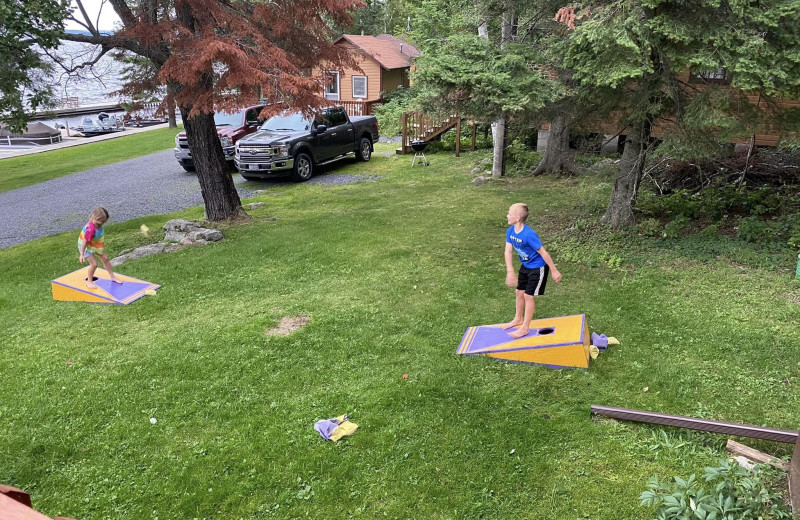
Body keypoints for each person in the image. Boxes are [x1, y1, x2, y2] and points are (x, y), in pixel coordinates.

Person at [503, 203, 562, 338]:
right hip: (525, 266)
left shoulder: (529, 234)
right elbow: (508, 251)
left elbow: (543, 253)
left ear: (517, 218)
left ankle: (525, 328)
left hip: (537, 267)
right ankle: (518, 318)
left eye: (509, 213)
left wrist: (554, 271)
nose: (507, 215)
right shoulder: (510, 231)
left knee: (528, 296)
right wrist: (510, 271)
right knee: (519, 292)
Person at [78, 207, 123, 289]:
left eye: (102, 223)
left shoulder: (97, 224)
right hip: (85, 246)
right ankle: (89, 281)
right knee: (94, 264)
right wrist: (82, 254)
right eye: (99, 223)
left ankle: (113, 277)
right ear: (93, 218)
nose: (101, 225)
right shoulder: (90, 230)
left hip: (95, 244)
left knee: (105, 259)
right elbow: (84, 242)